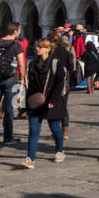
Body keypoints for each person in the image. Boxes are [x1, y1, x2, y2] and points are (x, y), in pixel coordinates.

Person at [23, 38, 67, 168]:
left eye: (40, 47)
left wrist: (53, 100)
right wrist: (28, 101)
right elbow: (30, 84)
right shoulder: (32, 64)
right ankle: (30, 158)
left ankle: (60, 150)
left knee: (55, 128)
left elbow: (60, 83)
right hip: (36, 101)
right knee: (33, 130)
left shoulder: (55, 63)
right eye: (37, 46)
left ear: (47, 49)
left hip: (51, 101)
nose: (37, 49)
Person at [0, 23, 27, 145]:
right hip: (11, 78)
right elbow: (21, 63)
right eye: (19, 31)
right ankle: (8, 138)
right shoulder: (16, 45)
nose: (19, 33)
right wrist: (22, 78)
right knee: (9, 109)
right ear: (15, 32)